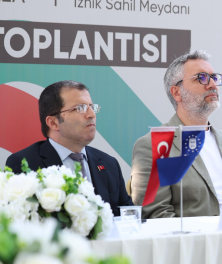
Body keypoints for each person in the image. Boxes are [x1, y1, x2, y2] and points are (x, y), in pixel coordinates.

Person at [131, 51, 222, 218]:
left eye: (214, 78)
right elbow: (156, 214)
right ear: (177, 92)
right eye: (201, 78)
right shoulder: (156, 145)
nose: (212, 85)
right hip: (193, 235)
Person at [5, 80, 133, 214]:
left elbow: (129, 216)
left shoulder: (109, 163)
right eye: (80, 108)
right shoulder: (25, 163)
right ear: (53, 123)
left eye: (91, 107)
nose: (91, 115)